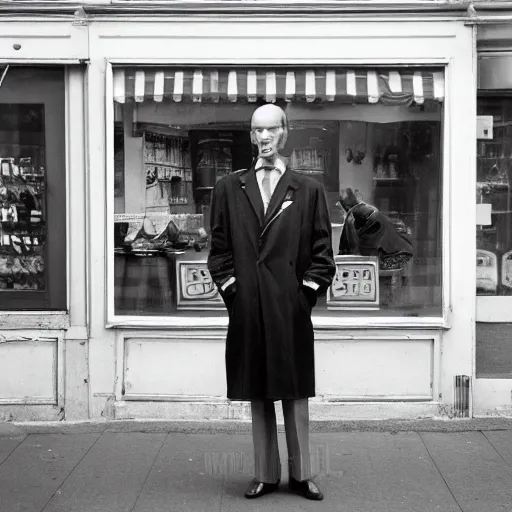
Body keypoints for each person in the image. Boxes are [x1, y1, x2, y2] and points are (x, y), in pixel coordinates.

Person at [207, 103, 336, 501]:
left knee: (295, 393)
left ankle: (302, 475)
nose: (263, 137)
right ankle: (265, 473)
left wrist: (305, 297)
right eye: (256, 130)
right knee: (259, 391)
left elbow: (322, 253)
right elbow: (219, 250)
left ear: (284, 133)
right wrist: (235, 293)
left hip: (290, 307)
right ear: (251, 135)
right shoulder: (229, 187)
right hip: (248, 306)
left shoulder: (308, 189)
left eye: (270, 130)